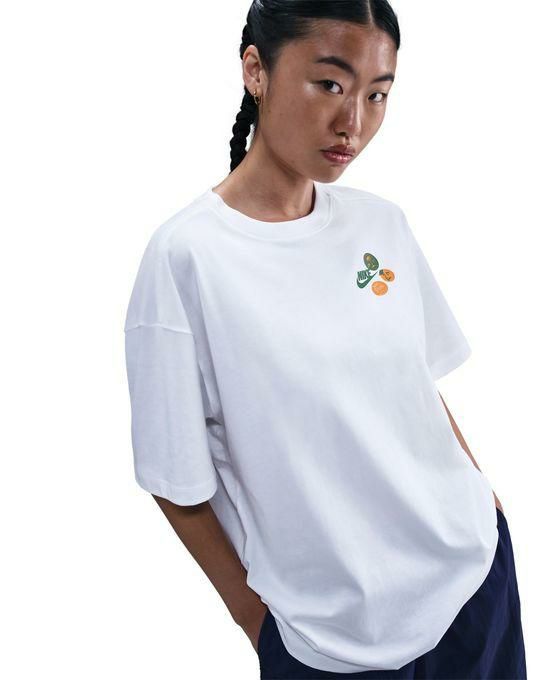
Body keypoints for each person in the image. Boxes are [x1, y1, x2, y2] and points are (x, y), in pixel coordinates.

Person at [123, 1, 527, 678]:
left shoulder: (381, 225)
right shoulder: (187, 258)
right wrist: (256, 624)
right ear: (256, 70)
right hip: (332, 640)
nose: (353, 123)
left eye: (377, 94)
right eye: (330, 84)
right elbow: (175, 480)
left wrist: (483, 501)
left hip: (472, 584)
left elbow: (415, 386)